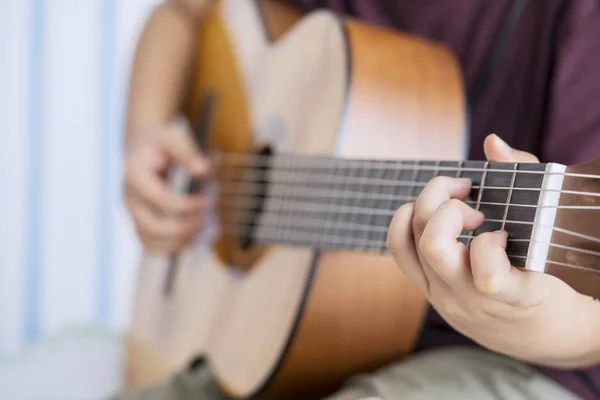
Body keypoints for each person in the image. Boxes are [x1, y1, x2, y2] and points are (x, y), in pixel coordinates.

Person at [116, 0, 600, 399]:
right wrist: (144, 135)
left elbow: (589, 328)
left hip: (525, 363)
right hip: (287, 339)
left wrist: (530, 318)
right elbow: (182, 14)